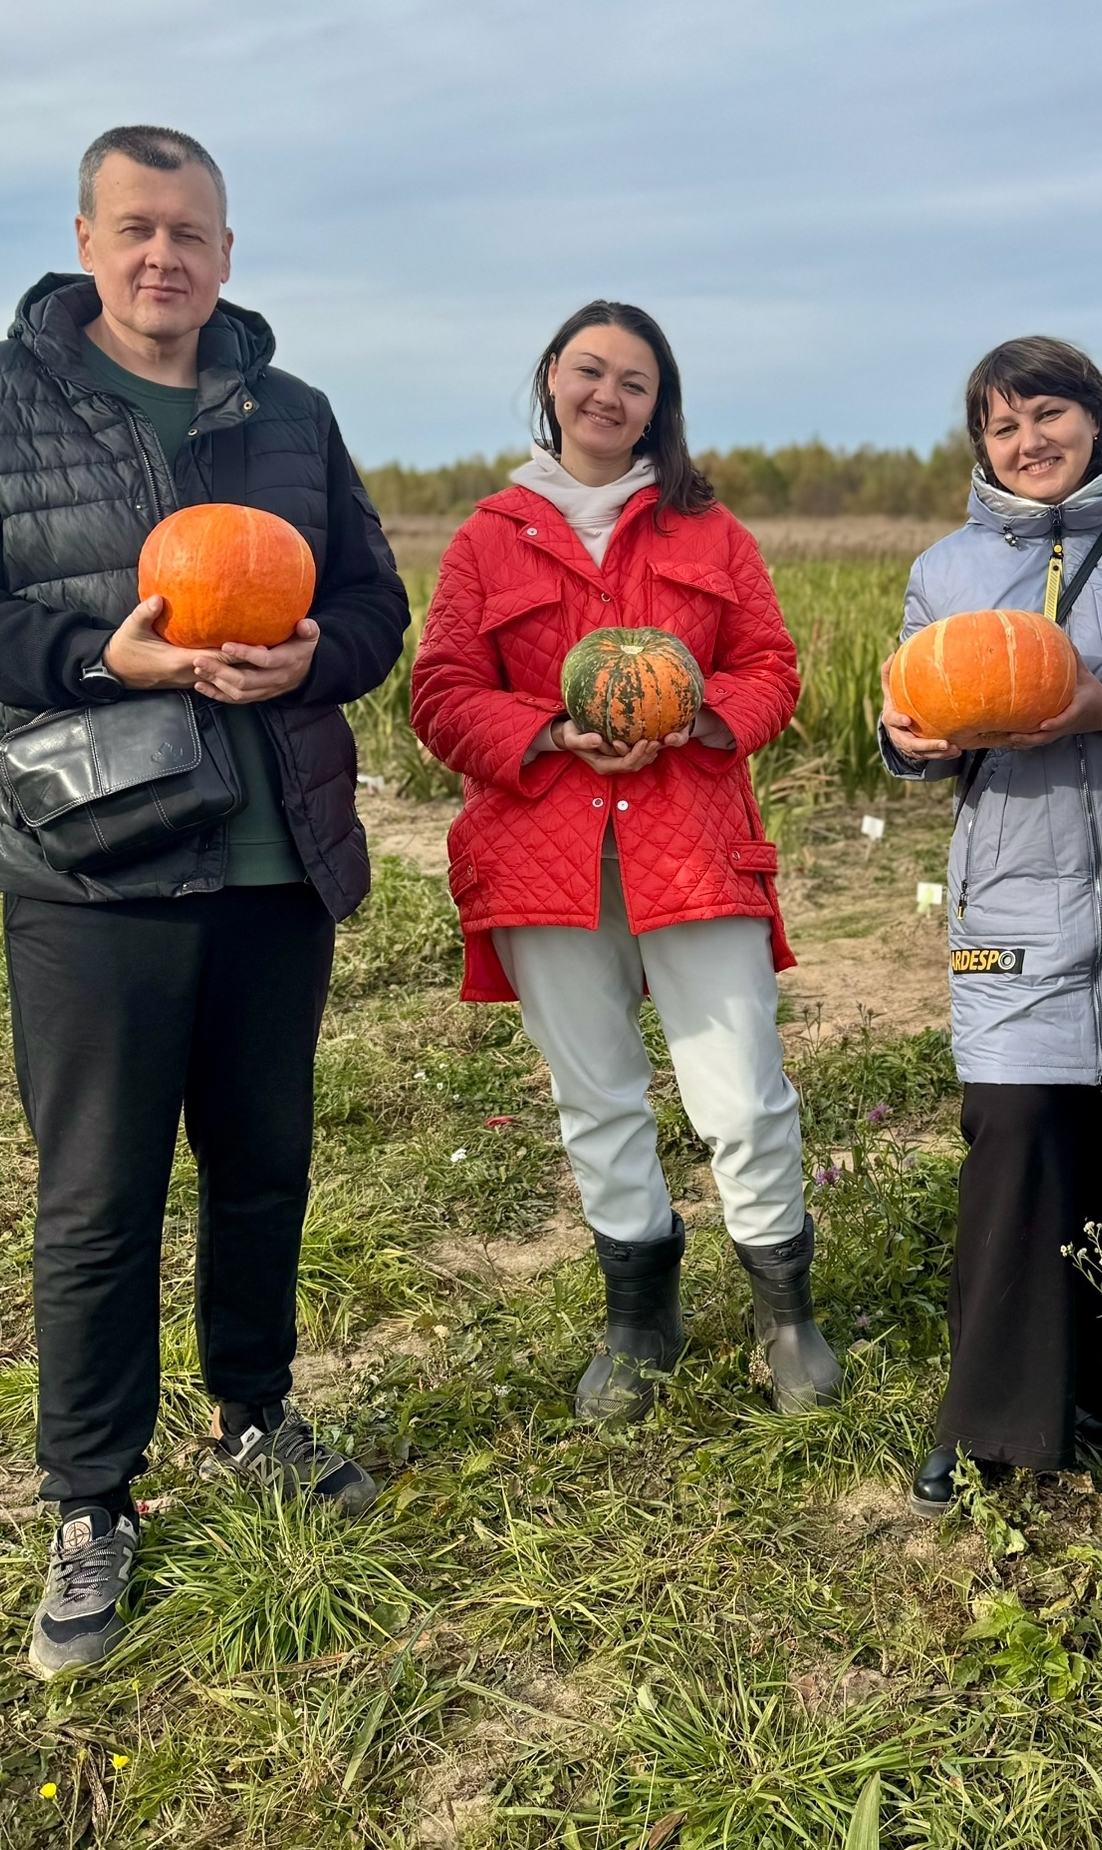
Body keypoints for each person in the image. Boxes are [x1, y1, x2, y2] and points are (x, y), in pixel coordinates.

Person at [0, 126, 409, 1679]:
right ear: (87, 242)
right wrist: (98, 655)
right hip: (92, 862)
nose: (163, 255)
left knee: (263, 1164)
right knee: (99, 1193)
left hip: (275, 858)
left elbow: (372, 601)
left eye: (190, 231)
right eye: (136, 228)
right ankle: (92, 1495)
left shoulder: (292, 414)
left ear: (227, 253)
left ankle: (254, 1412)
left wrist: (318, 655)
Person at [410, 300, 840, 1422]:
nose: (608, 394)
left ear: (659, 406)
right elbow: (441, 692)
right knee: (596, 1092)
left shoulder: (711, 533)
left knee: (741, 1088)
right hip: (542, 853)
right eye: (589, 370)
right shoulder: (489, 536)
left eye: (634, 382)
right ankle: (639, 1317)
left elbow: (771, 665)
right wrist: (551, 731)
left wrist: (699, 718)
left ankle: (785, 1312)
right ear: (552, 377)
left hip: (690, 842)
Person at [879, 337, 1102, 1517]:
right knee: (1014, 1135)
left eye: (1047, 413)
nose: (1028, 440)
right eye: (1002, 426)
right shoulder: (946, 568)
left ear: (1096, 418)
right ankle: (991, 1420)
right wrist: (907, 740)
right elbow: (914, 723)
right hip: (1013, 891)